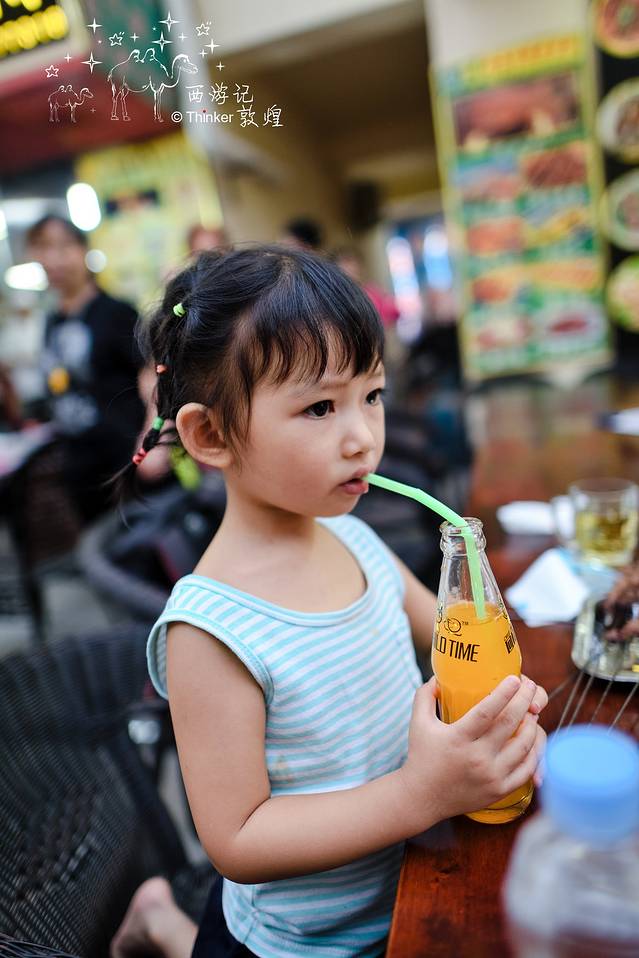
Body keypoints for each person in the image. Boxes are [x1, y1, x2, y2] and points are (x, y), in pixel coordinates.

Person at [113, 246, 547, 958]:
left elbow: (452, 637)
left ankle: (162, 919)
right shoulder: (212, 631)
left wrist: (498, 701)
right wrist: (420, 795)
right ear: (211, 435)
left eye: (371, 395)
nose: (363, 438)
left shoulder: (353, 539)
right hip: (300, 943)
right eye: (320, 407)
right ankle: (163, 923)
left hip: (408, 885)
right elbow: (237, 841)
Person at [27, 214, 146, 520]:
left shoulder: (116, 312)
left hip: (127, 464)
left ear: (83, 250)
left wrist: (152, 442)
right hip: (80, 471)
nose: (53, 259)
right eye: (42, 248)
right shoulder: (52, 322)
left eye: (63, 246)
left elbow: (152, 376)